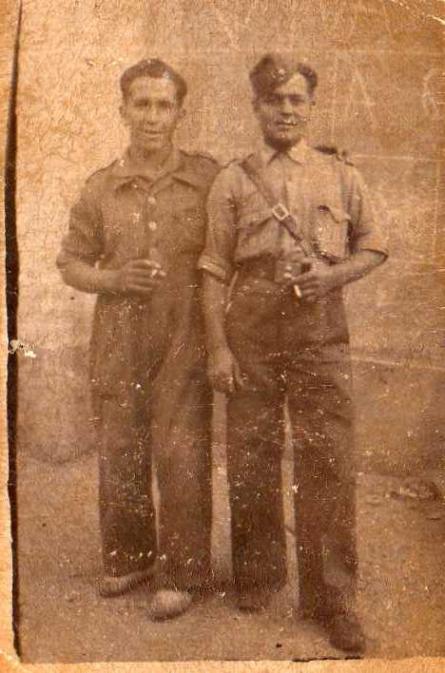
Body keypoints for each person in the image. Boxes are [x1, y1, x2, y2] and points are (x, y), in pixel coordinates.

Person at [199, 53, 388, 653]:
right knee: (251, 451)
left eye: (296, 99)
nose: (286, 110)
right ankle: (258, 576)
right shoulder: (233, 180)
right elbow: (212, 270)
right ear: (256, 107)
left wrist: (333, 277)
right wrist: (219, 347)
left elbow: (373, 246)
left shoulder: (341, 175)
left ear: (310, 106)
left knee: (327, 457)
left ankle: (332, 598)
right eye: (274, 100)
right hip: (251, 324)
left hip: (319, 323)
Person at [57, 58, 219, 620]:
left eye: (163, 105)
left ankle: (183, 572)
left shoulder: (206, 179)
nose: (152, 116)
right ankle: (131, 558)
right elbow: (71, 263)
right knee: (121, 446)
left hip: (184, 333)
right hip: (119, 335)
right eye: (141, 104)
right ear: (123, 110)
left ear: (179, 113)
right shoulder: (101, 187)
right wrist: (114, 279)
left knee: (182, 451)